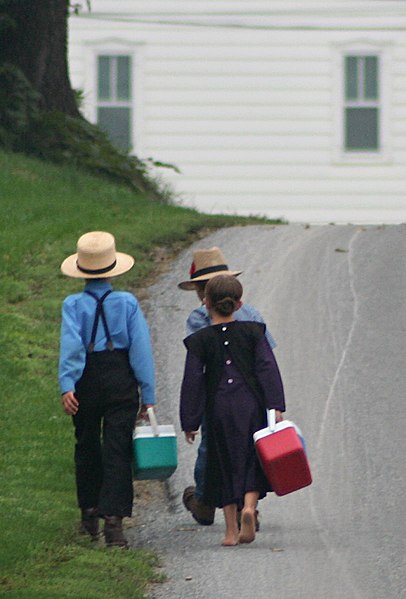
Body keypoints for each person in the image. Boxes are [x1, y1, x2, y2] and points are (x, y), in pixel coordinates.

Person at [59, 231, 156, 548]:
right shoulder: (127, 302)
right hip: (120, 378)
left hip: (87, 378)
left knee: (86, 443)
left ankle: (89, 513)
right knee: (118, 447)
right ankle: (114, 524)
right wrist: (148, 393)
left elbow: (71, 347)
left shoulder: (73, 304)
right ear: (113, 269)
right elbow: (140, 351)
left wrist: (67, 385)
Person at [180, 275, 285, 546]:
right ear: (239, 304)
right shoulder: (253, 332)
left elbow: (193, 380)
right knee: (251, 458)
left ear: (206, 303)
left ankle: (229, 531)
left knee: (221, 462)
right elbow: (267, 368)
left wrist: (190, 420)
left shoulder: (201, 339)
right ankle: (249, 509)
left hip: (217, 408)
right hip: (251, 404)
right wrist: (275, 406)